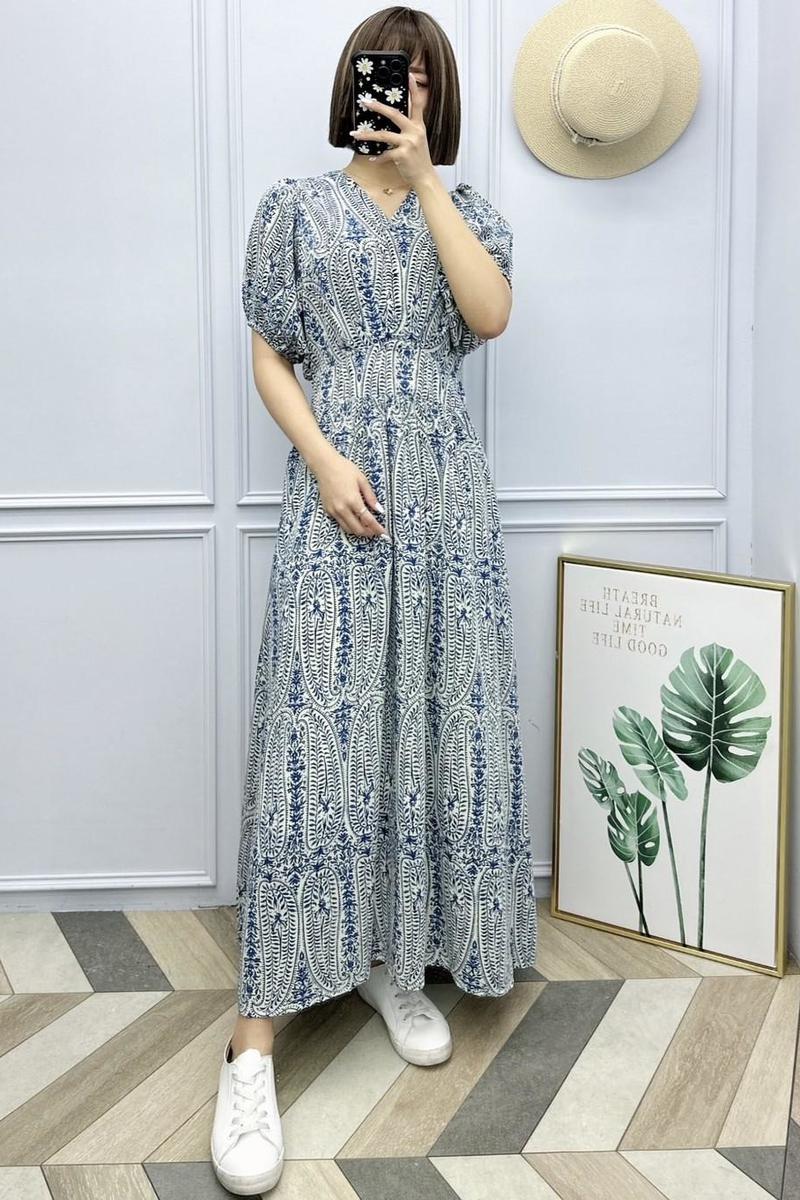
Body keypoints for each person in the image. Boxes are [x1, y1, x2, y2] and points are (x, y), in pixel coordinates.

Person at [210, 6, 538, 1193]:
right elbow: (270, 348)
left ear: (434, 95)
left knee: (428, 728)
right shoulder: (294, 210)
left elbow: (486, 318)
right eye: (379, 77)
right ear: (352, 86)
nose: (396, 96)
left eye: (415, 82)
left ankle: (395, 961)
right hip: (340, 496)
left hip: (445, 505)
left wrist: (428, 180)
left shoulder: (472, 213)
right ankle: (252, 1040)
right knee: (317, 740)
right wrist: (322, 460)